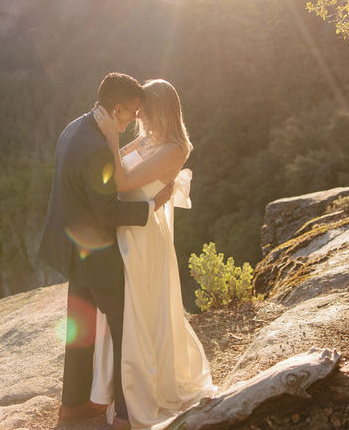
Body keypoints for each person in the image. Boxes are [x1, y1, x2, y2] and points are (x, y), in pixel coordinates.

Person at [38, 72, 173, 429]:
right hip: (94, 253)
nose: (135, 120)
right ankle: (127, 414)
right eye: (132, 113)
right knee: (126, 324)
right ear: (116, 109)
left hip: (69, 247)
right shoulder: (99, 148)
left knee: (80, 325)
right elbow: (109, 212)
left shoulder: (75, 127)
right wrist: (153, 205)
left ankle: (73, 406)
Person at [90, 79, 216, 429]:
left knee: (140, 311)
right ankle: (117, 389)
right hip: (123, 230)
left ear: (160, 108)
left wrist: (112, 136)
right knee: (124, 311)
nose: (138, 113)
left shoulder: (176, 147)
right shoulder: (146, 138)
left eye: (143, 107)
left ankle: (139, 392)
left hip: (143, 240)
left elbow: (121, 181)